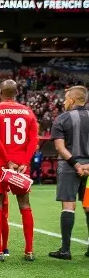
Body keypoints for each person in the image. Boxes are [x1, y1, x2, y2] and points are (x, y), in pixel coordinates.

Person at [0, 79, 39, 262]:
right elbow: (33, 140)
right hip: (22, 165)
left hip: (0, 163)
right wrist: (24, 161)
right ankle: (29, 250)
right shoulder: (28, 112)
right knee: (25, 205)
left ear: (0, 91)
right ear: (16, 93)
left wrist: (7, 160)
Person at [48, 86, 89, 260]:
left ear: (71, 100)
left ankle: (65, 250)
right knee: (88, 206)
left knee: (68, 205)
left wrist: (76, 165)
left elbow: (59, 147)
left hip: (69, 167)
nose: (64, 102)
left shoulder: (62, 118)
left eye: (66, 99)